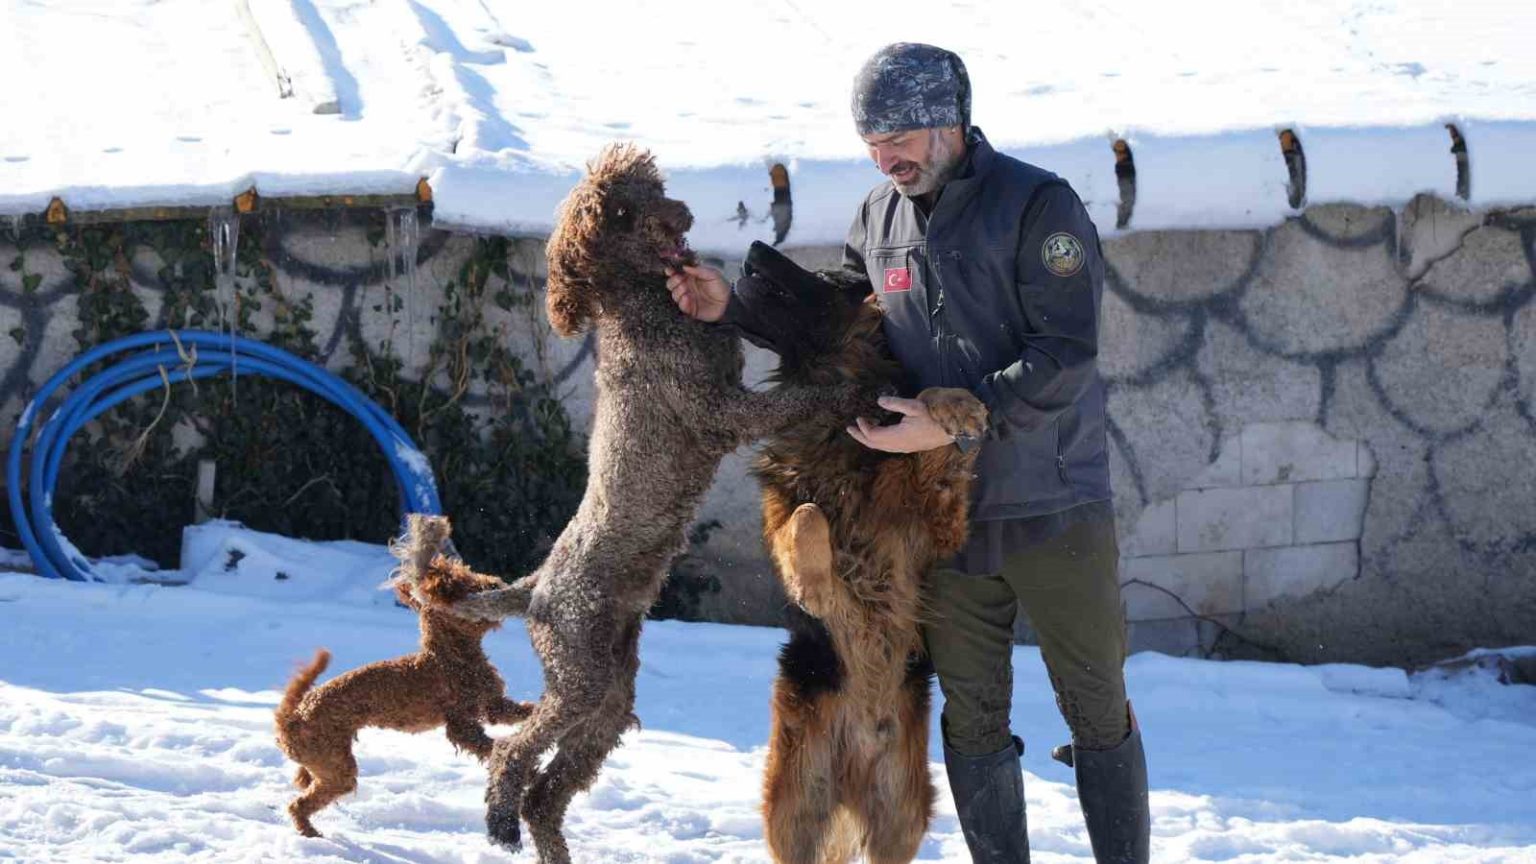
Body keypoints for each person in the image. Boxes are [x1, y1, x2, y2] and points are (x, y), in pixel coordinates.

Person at [668, 43, 1150, 863]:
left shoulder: (1038, 205)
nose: (884, 159)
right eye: (872, 143)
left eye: (899, 138)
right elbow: (842, 327)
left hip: (1054, 506)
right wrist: (734, 309)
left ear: (949, 123)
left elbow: (1065, 354)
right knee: (973, 717)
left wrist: (958, 422)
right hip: (938, 523)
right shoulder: (878, 216)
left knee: (1096, 708)